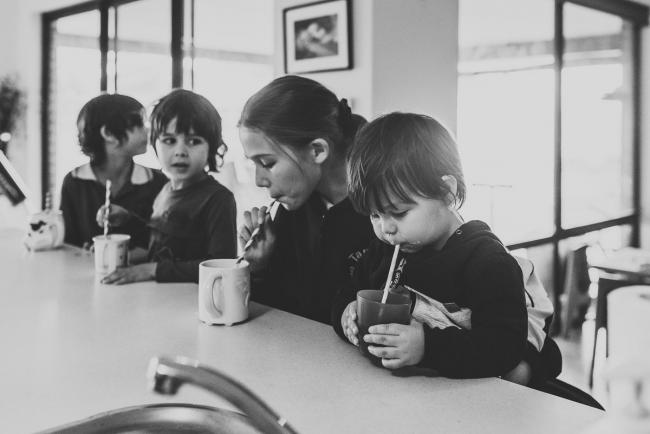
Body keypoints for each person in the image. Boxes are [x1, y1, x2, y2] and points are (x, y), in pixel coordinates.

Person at [333, 112, 561, 386]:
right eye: (374, 215)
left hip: (492, 393)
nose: (386, 229)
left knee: (519, 373)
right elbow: (345, 293)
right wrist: (346, 314)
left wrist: (426, 347)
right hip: (414, 390)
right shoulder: (385, 251)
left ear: (446, 192)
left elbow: (503, 347)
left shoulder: (486, 261)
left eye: (399, 212)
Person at [238, 75, 374, 324]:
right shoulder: (292, 209)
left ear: (317, 151)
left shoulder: (384, 216)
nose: (258, 180)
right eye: (253, 164)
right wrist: (258, 268)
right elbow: (276, 312)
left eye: (267, 163)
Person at [99, 89, 237, 284]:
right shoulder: (165, 189)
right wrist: (127, 219)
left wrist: (151, 270)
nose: (180, 151)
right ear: (155, 145)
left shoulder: (218, 199)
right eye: (169, 141)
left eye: (194, 141)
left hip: (193, 304)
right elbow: (161, 240)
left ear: (211, 148)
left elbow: (223, 266)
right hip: (159, 297)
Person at [60, 94, 167, 248]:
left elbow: (162, 242)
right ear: (109, 133)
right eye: (140, 123)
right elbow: (68, 242)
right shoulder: (74, 182)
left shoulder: (158, 182)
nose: (148, 129)